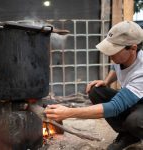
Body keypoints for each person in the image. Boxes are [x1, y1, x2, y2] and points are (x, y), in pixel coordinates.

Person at [45, 21, 143, 150]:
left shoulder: (141, 71)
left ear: (133, 48)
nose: (109, 55)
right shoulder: (122, 57)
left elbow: (114, 107)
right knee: (96, 90)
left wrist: (68, 112)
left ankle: (134, 134)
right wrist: (107, 81)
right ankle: (127, 135)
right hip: (134, 99)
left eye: (114, 50)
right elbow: (115, 67)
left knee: (135, 122)